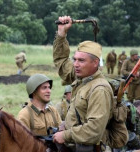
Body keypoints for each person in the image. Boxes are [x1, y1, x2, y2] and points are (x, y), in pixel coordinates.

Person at [52, 16, 114, 151]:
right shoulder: (82, 77)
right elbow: (62, 62)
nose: (75, 64)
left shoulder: (99, 89)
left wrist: (66, 135)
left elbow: (94, 130)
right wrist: (61, 34)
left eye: (81, 60)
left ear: (95, 63)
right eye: (74, 59)